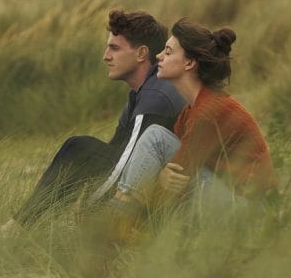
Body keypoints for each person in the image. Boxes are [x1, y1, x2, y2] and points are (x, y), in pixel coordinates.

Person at [0, 9, 185, 236]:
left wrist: (90, 212)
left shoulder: (156, 95)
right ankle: (21, 228)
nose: (106, 56)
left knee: (80, 148)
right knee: (84, 151)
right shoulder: (140, 94)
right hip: (152, 192)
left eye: (114, 48)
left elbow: (129, 168)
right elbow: (115, 151)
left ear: (141, 53)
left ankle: (15, 230)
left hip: (173, 201)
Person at [108, 17, 277, 229]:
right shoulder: (190, 112)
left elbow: (177, 181)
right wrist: (161, 177)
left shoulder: (208, 112)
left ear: (189, 63)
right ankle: (121, 217)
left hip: (253, 213)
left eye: (168, 52)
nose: (159, 56)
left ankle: (118, 218)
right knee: (158, 140)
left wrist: (161, 180)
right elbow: (176, 174)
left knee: (155, 137)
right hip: (229, 199)